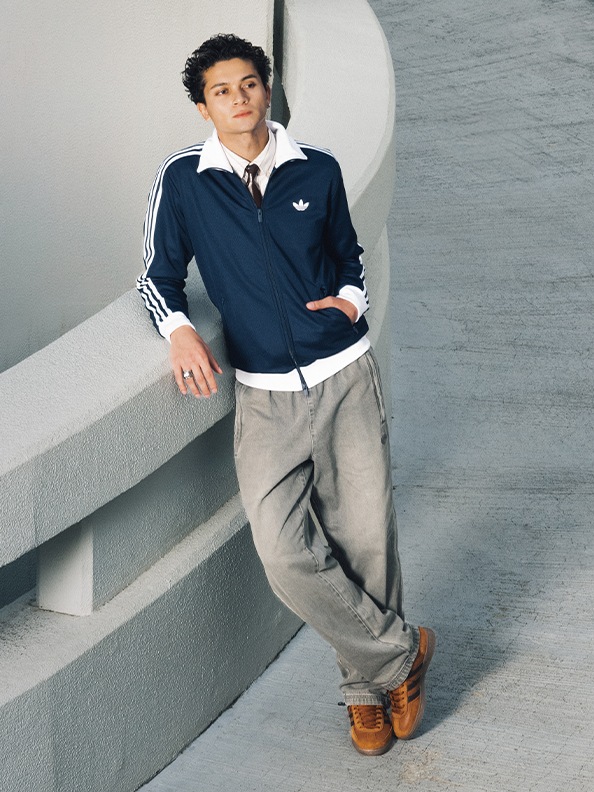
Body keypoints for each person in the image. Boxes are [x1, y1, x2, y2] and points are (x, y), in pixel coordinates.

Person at [137, 33, 435, 756]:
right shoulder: (185, 181)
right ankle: (400, 654)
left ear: (267, 89)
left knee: (367, 540)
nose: (238, 100)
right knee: (282, 552)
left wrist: (352, 304)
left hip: (345, 380)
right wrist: (178, 330)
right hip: (266, 398)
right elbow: (158, 275)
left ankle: (365, 696)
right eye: (221, 91)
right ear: (202, 106)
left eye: (248, 84)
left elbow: (347, 255)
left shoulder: (318, 170)